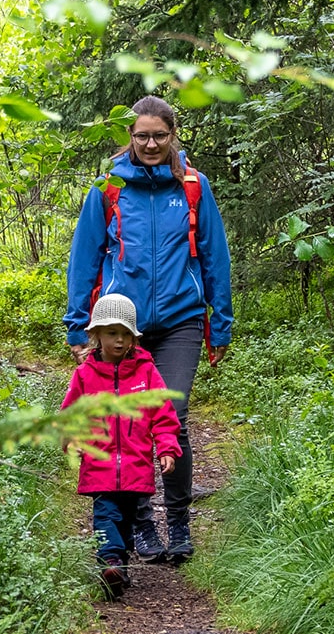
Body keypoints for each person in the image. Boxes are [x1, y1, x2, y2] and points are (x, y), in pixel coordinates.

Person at [63, 95, 233, 564]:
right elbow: (86, 256)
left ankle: (177, 523)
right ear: (129, 137)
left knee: (170, 417)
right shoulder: (109, 186)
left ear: (173, 135)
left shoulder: (195, 186)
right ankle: (139, 525)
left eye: (160, 135)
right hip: (120, 324)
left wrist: (220, 322)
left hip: (180, 319)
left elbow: (215, 256)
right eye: (142, 136)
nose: (152, 144)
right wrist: (79, 324)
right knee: (126, 423)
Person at [60, 294, 181, 599]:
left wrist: (166, 447)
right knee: (105, 513)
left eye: (125, 333)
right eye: (112, 333)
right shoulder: (85, 375)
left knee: (127, 519)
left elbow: (162, 413)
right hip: (99, 463)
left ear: (133, 337)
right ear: (96, 335)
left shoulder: (146, 372)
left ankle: (119, 567)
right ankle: (110, 560)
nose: (119, 340)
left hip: (136, 464)